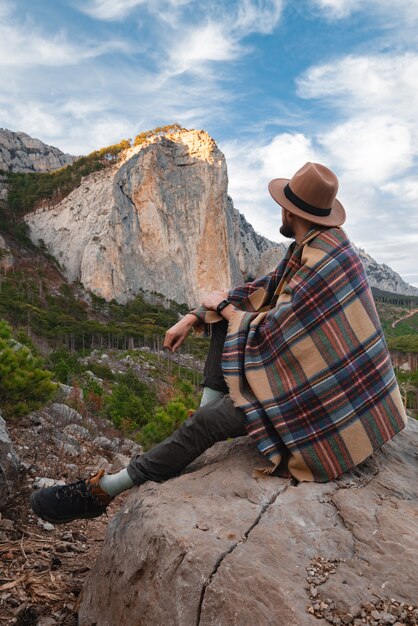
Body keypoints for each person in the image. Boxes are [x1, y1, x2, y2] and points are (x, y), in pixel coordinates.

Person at [30, 162, 407, 525]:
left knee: (212, 405)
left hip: (322, 401)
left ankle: (102, 492)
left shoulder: (325, 260)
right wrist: (196, 315)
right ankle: (203, 421)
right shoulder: (316, 247)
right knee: (223, 317)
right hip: (312, 378)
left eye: (283, 206)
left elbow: (279, 328)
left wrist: (224, 308)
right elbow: (260, 291)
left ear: (292, 212)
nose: (281, 212)